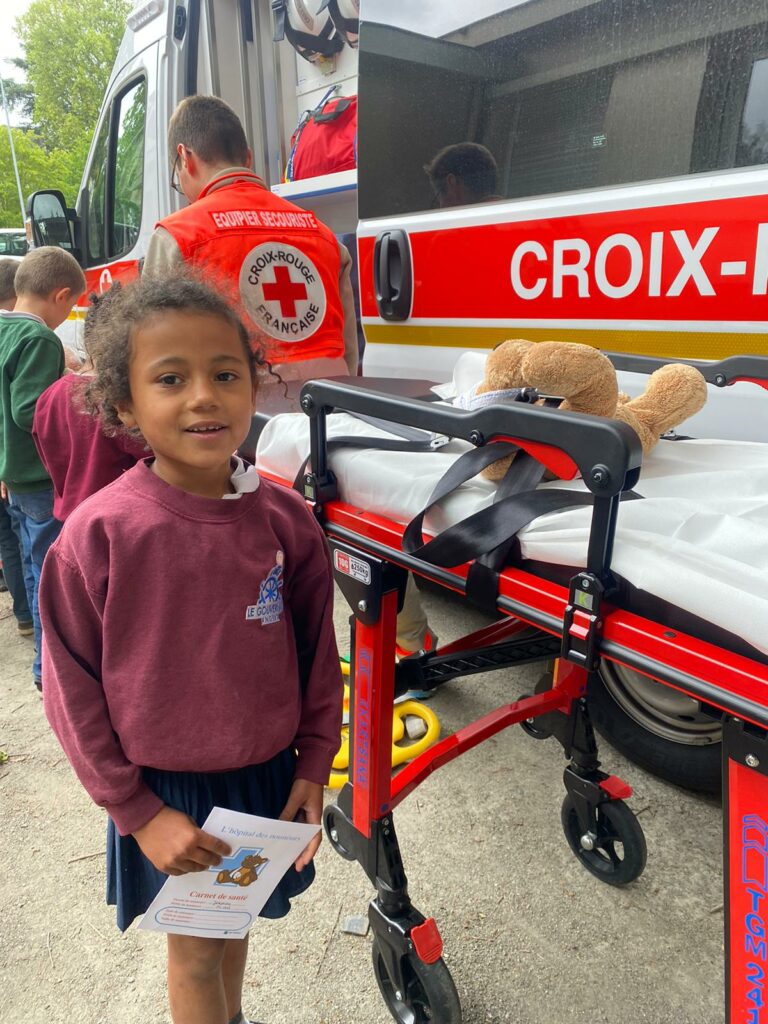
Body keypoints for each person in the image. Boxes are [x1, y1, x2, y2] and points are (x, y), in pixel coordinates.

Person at [39, 275, 343, 1024]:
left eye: (226, 374)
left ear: (254, 386)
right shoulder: (99, 535)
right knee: (196, 953)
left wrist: (313, 761)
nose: (203, 395)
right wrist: (136, 811)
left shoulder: (286, 519)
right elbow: (69, 691)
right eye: (170, 378)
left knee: (231, 925)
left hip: (264, 780)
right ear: (123, 406)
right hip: (168, 791)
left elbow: (315, 648)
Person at [144, 94, 359, 381]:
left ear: (185, 157)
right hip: (326, 414)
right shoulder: (324, 236)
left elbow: (157, 359)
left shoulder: (178, 237)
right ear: (247, 157)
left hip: (239, 419)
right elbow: (348, 351)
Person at [0, 246, 84, 690]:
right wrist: (76, 388)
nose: (66, 315)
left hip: (13, 475)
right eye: (71, 307)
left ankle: (43, 667)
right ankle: (48, 672)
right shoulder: (39, 339)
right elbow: (29, 410)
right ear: (61, 294)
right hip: (38, 478)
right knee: (50, 573)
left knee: (33, 570)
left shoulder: (3, 327)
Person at [32, 288, 148, 522]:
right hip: (117, 519)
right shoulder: (123, 401)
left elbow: (43, 448)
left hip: (69, 516)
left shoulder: (51, 395)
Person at [0, 257, 33, 636]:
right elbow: (21, 411)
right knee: (20, 539)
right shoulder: (24, 337)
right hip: (12, 463)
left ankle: (24, 616)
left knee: (11, 540)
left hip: (7, 463)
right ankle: (28, 614)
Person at [424, 142, 502, 208]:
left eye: (439, 197)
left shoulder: (464, 224)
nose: (441, 207)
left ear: (452, 183)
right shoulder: (510, 216)